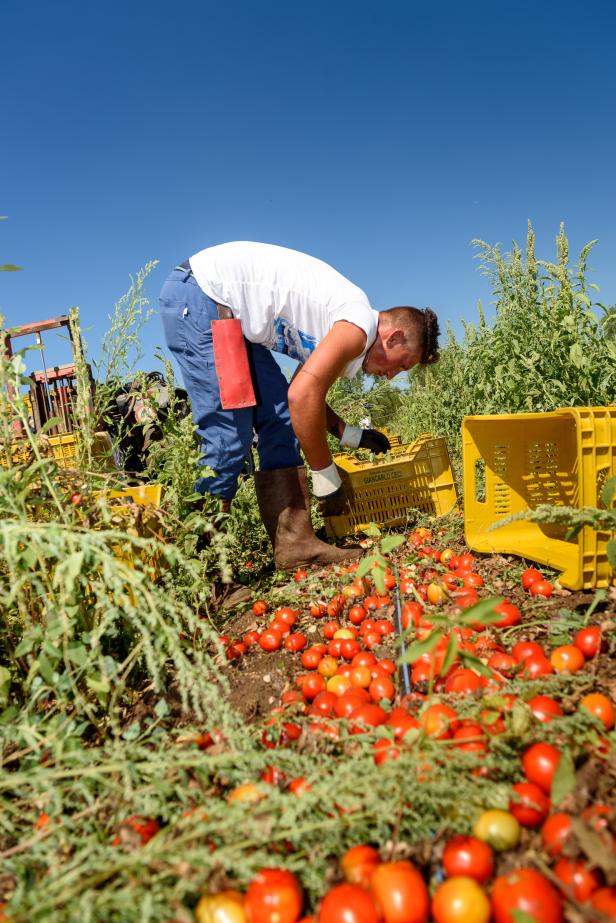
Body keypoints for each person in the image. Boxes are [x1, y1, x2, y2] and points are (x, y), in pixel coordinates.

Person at [159, 241, 439, 567]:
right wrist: (326, 475)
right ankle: (201, 569)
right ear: (394, 338)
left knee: (279, 419)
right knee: (229, 435)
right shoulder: (358, 327)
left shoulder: (347, 326)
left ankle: (295, 545)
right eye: (401, 365)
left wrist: (351, 435)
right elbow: (304, 395)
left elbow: (304, 390)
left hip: (230, 316)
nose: (391, 376)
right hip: (203, 295)